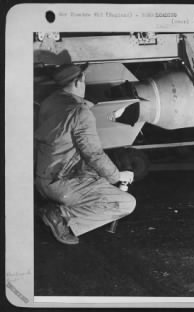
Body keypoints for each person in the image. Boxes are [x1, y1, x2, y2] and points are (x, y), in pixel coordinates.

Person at [35, 63, 136, 244]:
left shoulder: (51, 101)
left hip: (43, 180)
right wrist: (116, 175)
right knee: (127, 203)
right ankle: (60, 215)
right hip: (63, 183)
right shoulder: (80, 112)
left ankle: (55, 207)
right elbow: (93, 153)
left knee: (98, 177)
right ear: (79, 80)